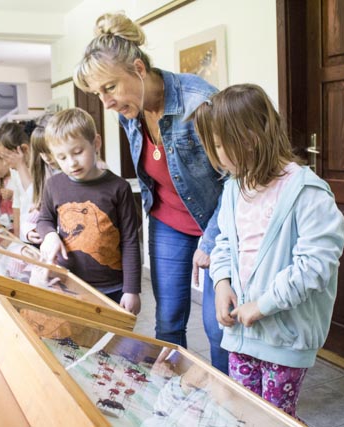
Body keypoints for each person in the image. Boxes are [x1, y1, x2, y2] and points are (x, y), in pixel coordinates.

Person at [73, 12, 227, 371]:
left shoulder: (200, 103)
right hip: (167, 221)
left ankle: (226, 398)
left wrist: (210, 240)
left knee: (218, 325)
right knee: (168, 319)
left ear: (139, 69)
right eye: (98, 93)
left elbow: (235, 181)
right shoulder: (129, 110)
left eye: (110, 87)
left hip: (218, 224)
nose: (106, 102)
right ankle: (168, 391)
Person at [192, 83, 344, 417]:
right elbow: (224, 242)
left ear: (249, 138)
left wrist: (263, 305)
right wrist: (222, 282)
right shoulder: (234, 188)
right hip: (242, 333)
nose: (214, 156)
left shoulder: (308, 192)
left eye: (218, 145)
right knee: (243, 413)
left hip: (284, 339)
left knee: (274, 418)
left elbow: (315, 267)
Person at [37, 108, 141, 315]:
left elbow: (130, 241)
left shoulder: (119, 188)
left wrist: (131, 289)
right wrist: (49, 235)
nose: (72, 163)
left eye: (78, 152)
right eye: (62, 157)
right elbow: (44, 219)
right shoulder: (53, 185)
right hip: (70, 284)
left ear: (96, 143)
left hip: (112, 287)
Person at [0, 121, 39, 243]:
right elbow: (17, 203)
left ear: (24, 149)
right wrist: (18, 238)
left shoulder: (40, 168)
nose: (5, 163)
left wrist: (20, 165)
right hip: (25, 235)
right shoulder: (15, 170)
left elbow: (35, 198)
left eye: (6, 157)